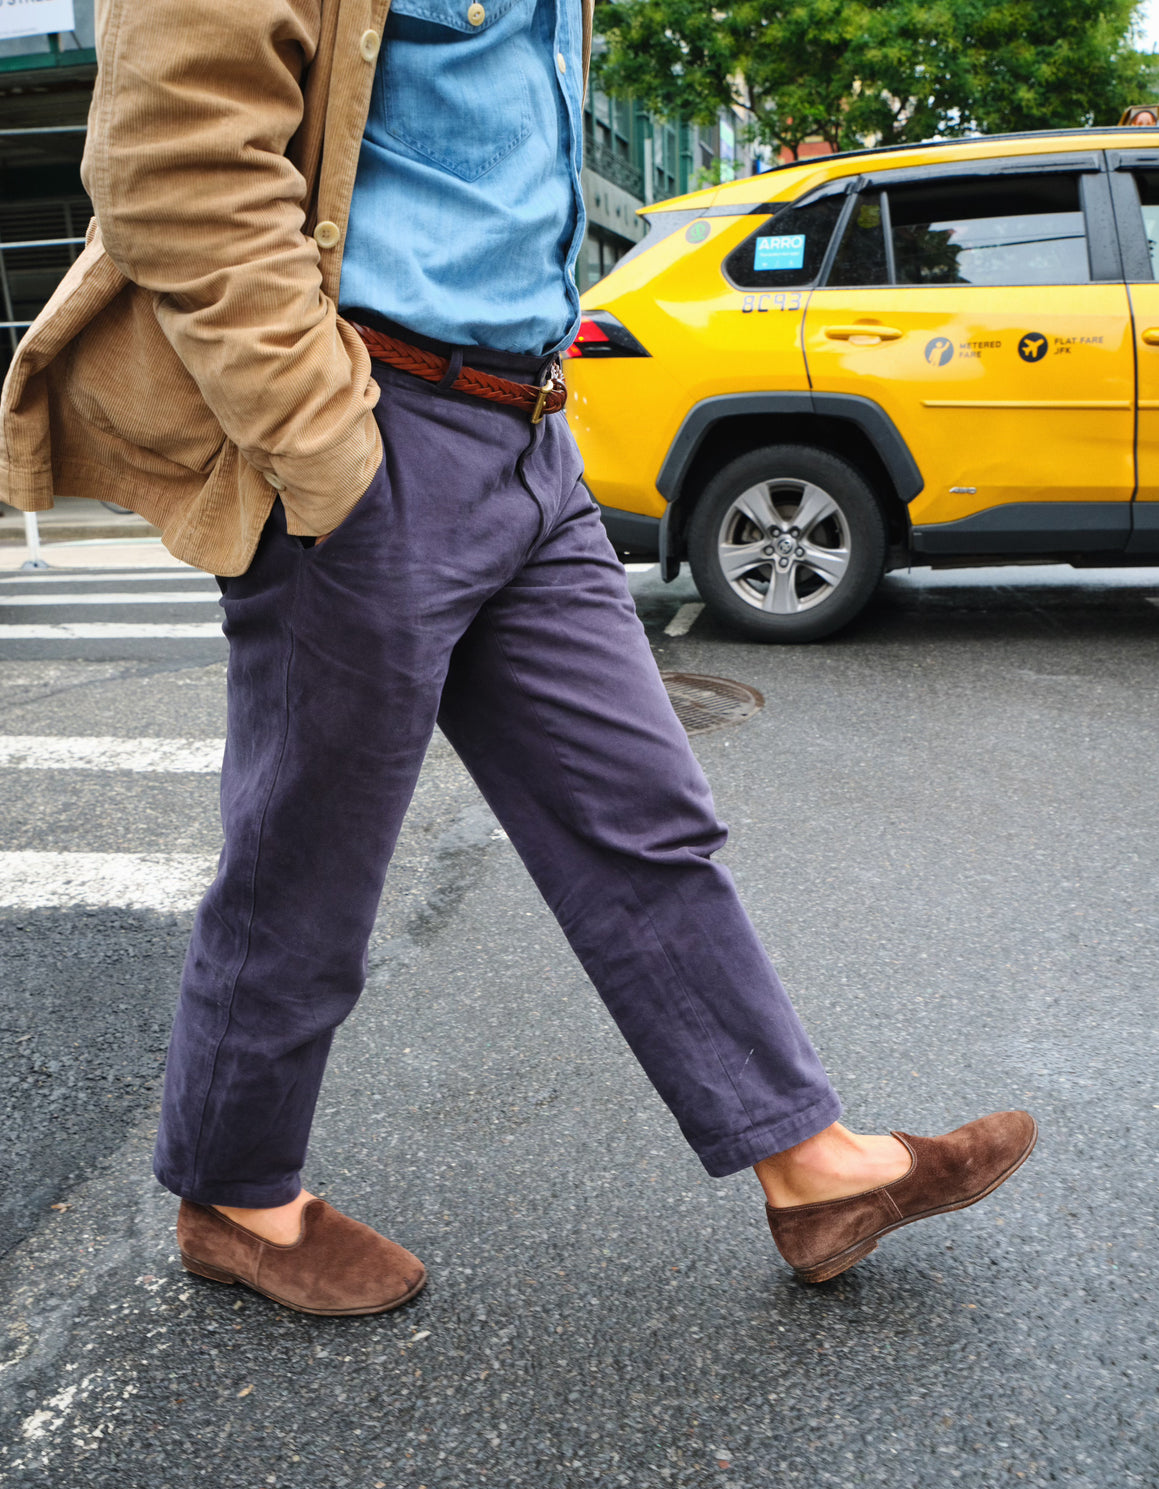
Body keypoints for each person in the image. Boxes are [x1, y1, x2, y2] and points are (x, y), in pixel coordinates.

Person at [0, 0, 1036, 1316]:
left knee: (641, 817)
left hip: (528, 434)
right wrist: (324, 448)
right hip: (370, 425)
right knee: (308, 859)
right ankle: (234, 1194)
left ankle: (813, 1166)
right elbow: (173, 163)